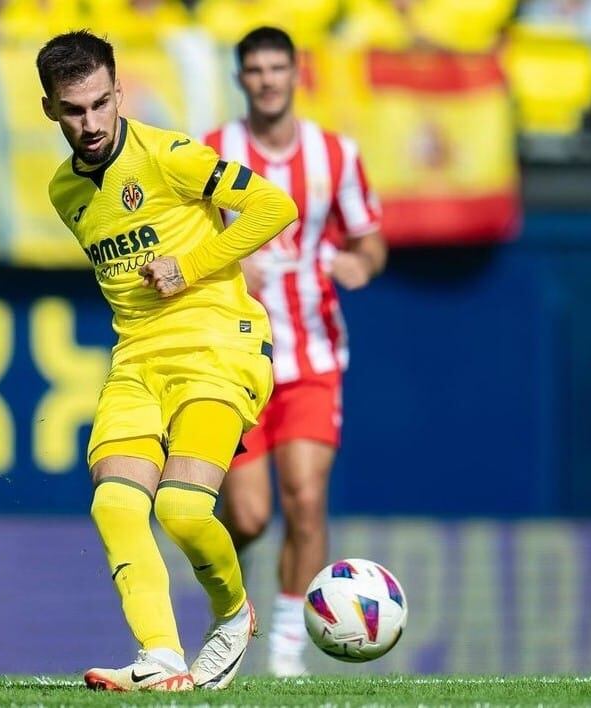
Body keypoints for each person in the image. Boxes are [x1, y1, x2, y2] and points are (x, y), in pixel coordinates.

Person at [38, 30, 298, 692]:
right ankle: (159, 655)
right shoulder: (64, 192)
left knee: (181, 509)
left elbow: (274, 206)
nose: (91, 123)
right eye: (74, 110)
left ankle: (233, 616)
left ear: (118, 93)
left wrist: (190, 264)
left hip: (218, 344)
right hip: (136, 358)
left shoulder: (169, 155)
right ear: (50, 110)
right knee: (114, 505)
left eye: (101, 103)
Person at [203, 26, 386, 677]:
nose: (267, 81)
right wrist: (226, 266)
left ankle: (286, 650)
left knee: (305, 497)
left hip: (312, 358)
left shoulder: (335, 155)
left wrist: (361, 264)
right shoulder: (212, 153)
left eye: (277, 68)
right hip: (238, 359)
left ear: (295, 74)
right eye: (255, 70)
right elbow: (185, 241)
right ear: (240, 79)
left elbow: (370, 238)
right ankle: (228, 594)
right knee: (250, 516)